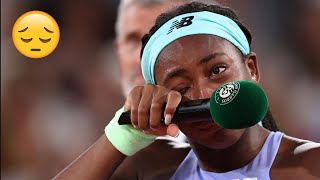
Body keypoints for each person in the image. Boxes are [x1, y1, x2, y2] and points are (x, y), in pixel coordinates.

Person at [54, 2, 320, 180]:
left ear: (251, 69)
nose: (204, 94)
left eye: (217, 71)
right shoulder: (152, 166)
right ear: (160, 100)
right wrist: (122, 134)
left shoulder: (310, 163)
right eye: (181, 87)